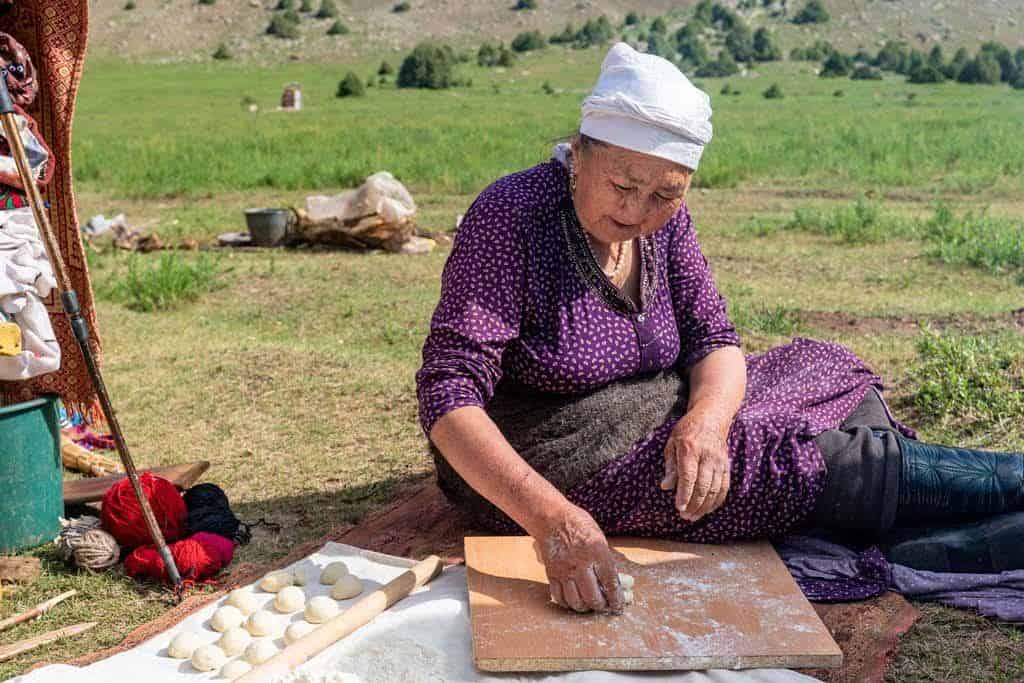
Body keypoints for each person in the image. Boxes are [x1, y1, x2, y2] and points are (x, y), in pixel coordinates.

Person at [415, 43, 1024, 615]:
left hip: (654, 406)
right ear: (579, 153)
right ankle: (998, 495)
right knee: (784, 456)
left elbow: (714, 340)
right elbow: (449, 395)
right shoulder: (512, 216)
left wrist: (705, 424)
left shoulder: (666, 221)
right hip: (553, 453)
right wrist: (554, 521)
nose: (636, 211)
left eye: (664, 194)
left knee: (824, 370)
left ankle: (938, 532)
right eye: (622, 185)